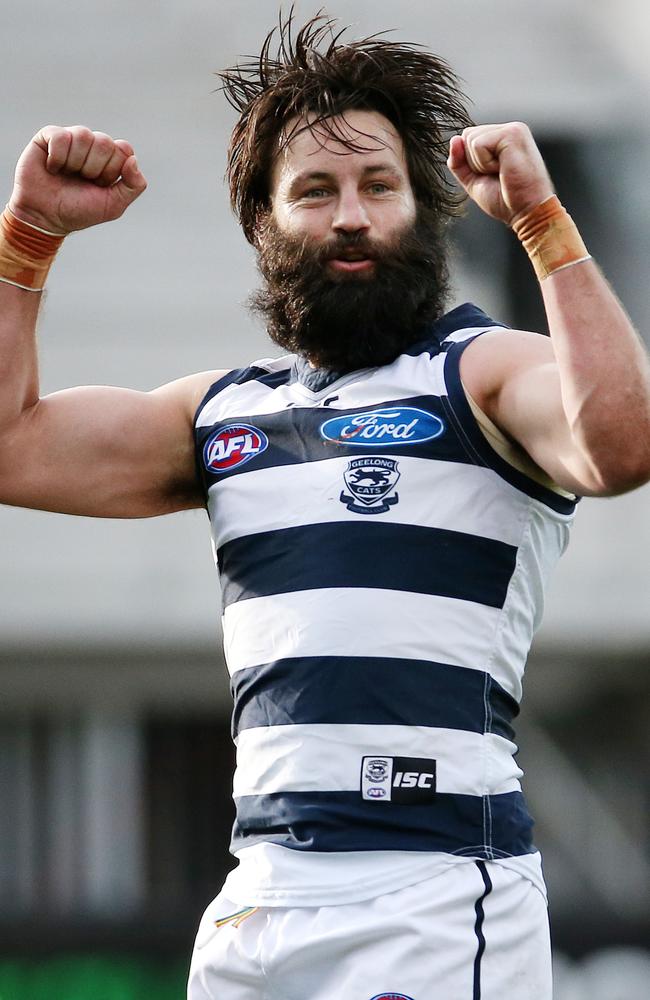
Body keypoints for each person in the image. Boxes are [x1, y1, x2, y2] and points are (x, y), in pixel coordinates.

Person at [1, 12, 649, 1000]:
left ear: (421, 211)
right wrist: (28, 236)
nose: (350, 215)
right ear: (265, 225)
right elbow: (11, 445)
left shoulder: (477, 372)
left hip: (426, 895)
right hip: (259, 900)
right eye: (314, 190)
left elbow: (619, 443)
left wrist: (541, 226)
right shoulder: (222, 413)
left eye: (377, 186)